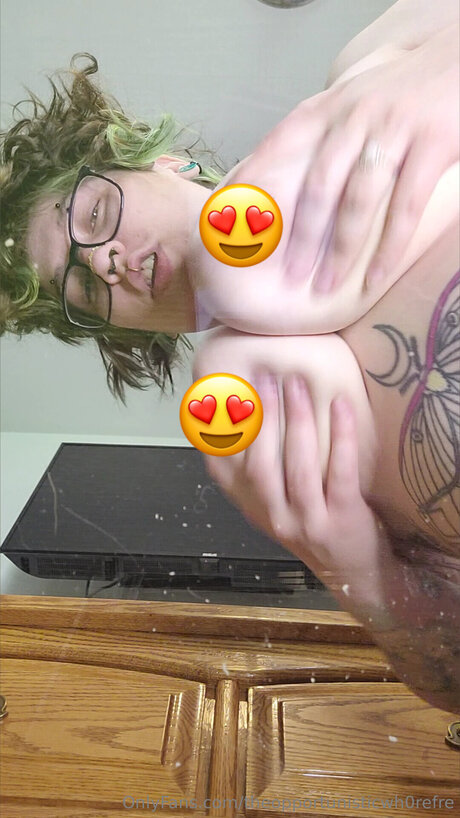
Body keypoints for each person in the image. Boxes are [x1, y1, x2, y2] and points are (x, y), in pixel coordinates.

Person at [1, 1, 458, 709]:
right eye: (83, 287)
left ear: (167, 162)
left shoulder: (366, 75)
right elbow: (449, 685)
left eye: (94, 215)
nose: (108, 261)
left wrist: (442, 63)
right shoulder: (274, 450)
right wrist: (358, 571)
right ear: (122, 330)